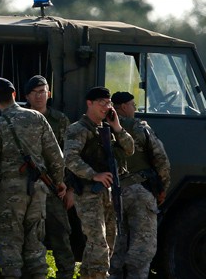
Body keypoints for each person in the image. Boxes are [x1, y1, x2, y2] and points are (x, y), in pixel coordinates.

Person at [0, 78, 67, 279]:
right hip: (38, 190)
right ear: (14, 95)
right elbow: (56, 156)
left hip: (11, 194)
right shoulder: (38, 118)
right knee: (35, 243)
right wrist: (59, 182)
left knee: (10, 243)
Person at [64, 86, 134, 279]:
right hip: (88, 193)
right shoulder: (78, 129)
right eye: (102, 103)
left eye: (109, 103)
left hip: (108, 194)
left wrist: (117, 127)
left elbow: (130, 149)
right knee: (98, 243)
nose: (106, 107)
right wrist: (94, 174)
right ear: (90, 103)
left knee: (109, 242)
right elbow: (70, 159)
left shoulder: (107, 129)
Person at [108, 92, 171, 279]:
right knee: (142, 248)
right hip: (139, 191)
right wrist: (162, 189)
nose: (135, 109)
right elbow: (161, 160)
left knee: (115, 248)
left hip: (111, 193)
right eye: (133, 105)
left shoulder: (100, 127)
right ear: (124, 107)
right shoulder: (139, 127)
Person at [24, 74, 76, 279]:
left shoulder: (60, 120)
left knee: (61, 232)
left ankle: (66, 272)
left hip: (55, 187)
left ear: (49, 93)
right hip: (27, 186)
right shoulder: (20, 118)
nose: (39, 96)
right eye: (35, 93)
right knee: (29, 233)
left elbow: (71, 156)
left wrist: (70, 189)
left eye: (42, 92)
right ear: (27, 96)